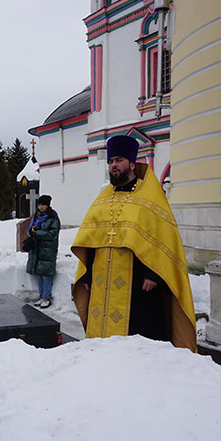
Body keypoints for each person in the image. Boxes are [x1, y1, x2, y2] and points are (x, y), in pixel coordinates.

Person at [71, 135, 197, 351]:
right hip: (103, 280)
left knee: (138, 338)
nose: (113, 166)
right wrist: (89, 273)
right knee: (101, 340)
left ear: (131, 162)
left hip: (138, 282)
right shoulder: (103, 199)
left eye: (118, 161)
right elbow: (92, 240)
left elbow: (162, 239)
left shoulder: (149, 197)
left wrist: (153, 274)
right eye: (110, 162)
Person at [25, 195, 60, 309]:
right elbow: (29, 230)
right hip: (36, 248)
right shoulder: (35, 216)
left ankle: (47, 297)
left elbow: (53, 233)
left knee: (46, 274)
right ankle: (41, 296)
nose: (41, 207)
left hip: (47, 249)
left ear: (48, 205)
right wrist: (31, 231)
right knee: (39, 273)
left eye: (43, 205)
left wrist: (37, 233)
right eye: (39, 205)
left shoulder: (53, 217)